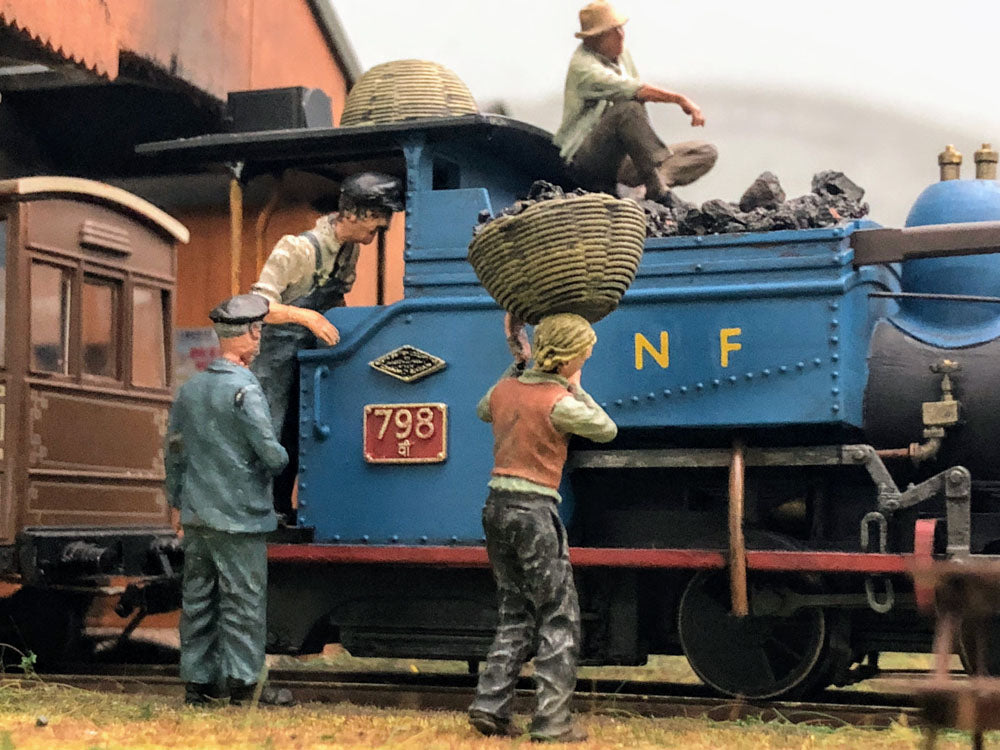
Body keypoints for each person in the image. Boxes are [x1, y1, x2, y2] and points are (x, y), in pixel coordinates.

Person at [468, 313, 618, 743]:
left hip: (496, 507)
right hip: (535, 511)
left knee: (514, 609)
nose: (585, 360)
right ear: (568, 357)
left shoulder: (503, 390)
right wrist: (575, 386)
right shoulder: (560, 402)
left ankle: (490, 704)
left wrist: (519, 364)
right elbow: (606, 429)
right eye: (583, 355)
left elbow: (483, 409)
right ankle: (552, 721)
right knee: (558, 614)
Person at [250, 172, 403, 515]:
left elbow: (336, 300)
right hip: (275, 355)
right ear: (356, 213)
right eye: (378, 219)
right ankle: (258, 508)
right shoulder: (296, 249)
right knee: (270, 427)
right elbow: (259, 306)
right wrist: (308, 318)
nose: (380, 229)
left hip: (311, 354)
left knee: (299, 430)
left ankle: (281, 506)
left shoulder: (349, 251)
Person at [165, 293, 292, 707]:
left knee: (198, 600)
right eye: (258, 332)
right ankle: (243, 684)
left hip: (197, 514)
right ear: (251, 334)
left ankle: (198, 683)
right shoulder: (245, 391)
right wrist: (282, 457)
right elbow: (271, 455)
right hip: (239, 518)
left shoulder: (190, 390)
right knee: (243, 600)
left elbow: (175, 452)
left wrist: (177, 503)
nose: (259, 340)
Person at [553, 0, 717, 201]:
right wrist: (679, 100)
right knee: (628, 109)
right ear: (595, 39)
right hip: (587, 160)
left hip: (622, 158)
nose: (621, 35)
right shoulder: (584, 67)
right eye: (613, 31)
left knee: (704, 151)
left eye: (620, 29)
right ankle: (656, 187)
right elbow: (635, 91)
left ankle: (649, 186)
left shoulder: (621, 55)